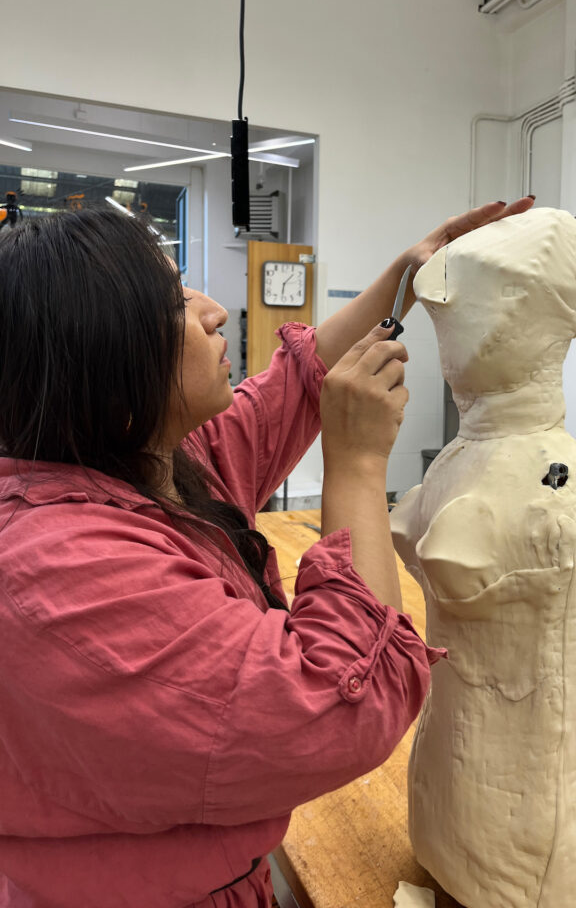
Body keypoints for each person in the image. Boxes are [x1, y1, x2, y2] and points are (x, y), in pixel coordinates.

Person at [0, 197, 533, 908]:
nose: (214, 310)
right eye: (173, 302)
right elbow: (351, 697)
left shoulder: (141, 461)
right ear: (103, 353)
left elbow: (293, 387)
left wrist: (404, 276)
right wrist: (358, 465)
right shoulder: (60, 572)